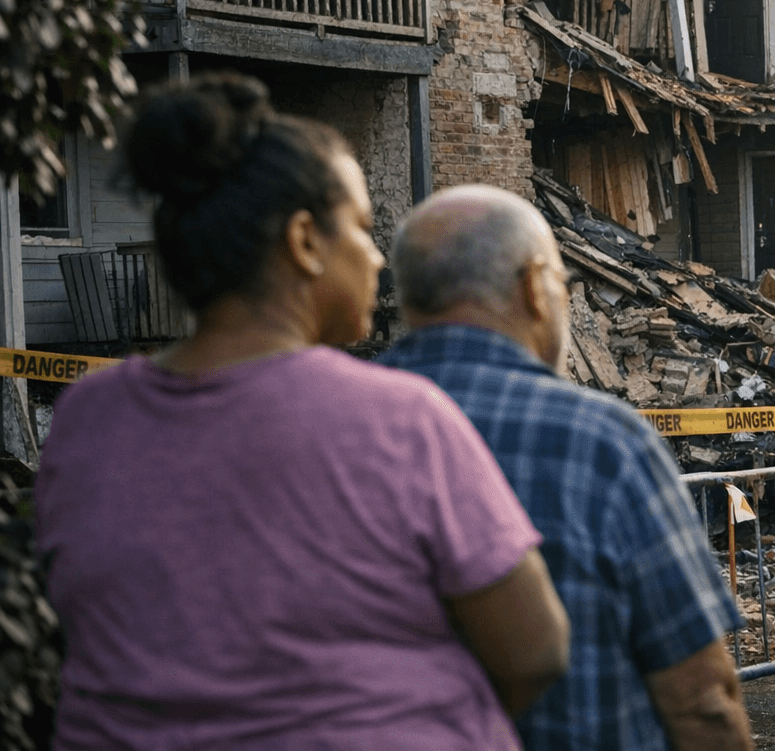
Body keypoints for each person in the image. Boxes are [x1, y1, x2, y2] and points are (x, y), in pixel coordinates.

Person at [36, 75, 569, 750]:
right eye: (363, 228)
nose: (377, 257)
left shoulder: (88, 417)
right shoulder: (400, 419)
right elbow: (535, 652)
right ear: (304, 242)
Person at [378, 185, 753, 751]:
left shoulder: (337, 433)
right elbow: (701, 699)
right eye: (562, 285)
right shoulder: (603, 442)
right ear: (533, 285)